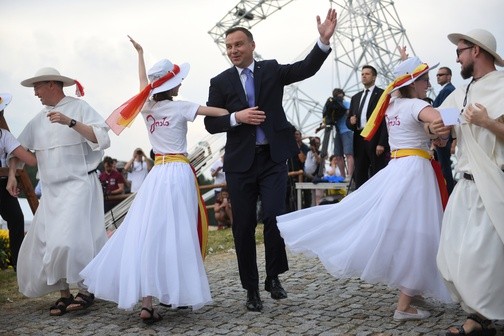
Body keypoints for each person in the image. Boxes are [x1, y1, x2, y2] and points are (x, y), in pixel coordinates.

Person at [277, 56, 453, 321]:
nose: (428, 84)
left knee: (402, 228)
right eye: (425, 79)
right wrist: (456, 118)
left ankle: (411, 290)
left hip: (398, 167)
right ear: (413, 82)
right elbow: (438, 119)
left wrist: (432, 132)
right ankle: (404, 306)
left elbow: (422, 128)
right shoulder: (417, 104)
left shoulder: (392, 105)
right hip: (415, 171)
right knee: (420, 232)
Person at [80, 36, 228, 324]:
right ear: (171, 85)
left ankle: (148, 301)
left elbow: (141, 86)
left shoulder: (146, 106)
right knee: (177, 232)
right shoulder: (180, 107)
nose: (181, 84)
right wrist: (236, 112)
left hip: (157, 173)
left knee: (149, 232)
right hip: (179, 172)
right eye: (178, 81)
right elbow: (218, 112)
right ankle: (173, 292)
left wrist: (140, 55)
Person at [204, 9, 337, 312]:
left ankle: (273, 277)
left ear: (251, 45)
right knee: (243, 227)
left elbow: (306, 68)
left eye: (238, 44)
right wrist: (237, 117)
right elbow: (212, 124)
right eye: (229, 47)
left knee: (276, 218)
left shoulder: (271, 70)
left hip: (273, 159)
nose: (233, 50)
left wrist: (322, 42)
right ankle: (251, 289)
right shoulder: (220, 82)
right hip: (240, 165)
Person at [9, 67, 110, 316]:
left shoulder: (79, 107)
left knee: (74, 240)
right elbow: (18, 151)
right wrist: (12, 174)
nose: (35, 93)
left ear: (53, 85)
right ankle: (64, 294)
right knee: (52, 244)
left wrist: (70, 122)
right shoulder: (38, 120)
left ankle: (86, 290)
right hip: (52, 192)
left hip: (78, 185)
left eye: (38, 87)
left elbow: (101, 138)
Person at [435, 29, 504, 336]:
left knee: (482, 258)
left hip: (492, 183)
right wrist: (434, 128)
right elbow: (441, 128)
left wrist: (487, 122)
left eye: (461, 50)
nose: (457, 56)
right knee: (448, 256)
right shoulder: (459, 93)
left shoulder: (502, 87)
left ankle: (478, 320)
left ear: (476, 51)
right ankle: (479, 314)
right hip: (464, 183)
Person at [0, 93, 37, 271]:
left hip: (3, 183)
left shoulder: (4, 135)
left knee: (16, 218)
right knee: (16, 219)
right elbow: (30, 160)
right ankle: (17, 264)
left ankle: (17, 264)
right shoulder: (4, 135)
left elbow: (28, 160)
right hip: (3, 183)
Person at [347, 65, 389, 189]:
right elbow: (348, 121)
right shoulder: (355, 98)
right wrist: (351, 122)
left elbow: (385, 120)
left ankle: (378, 200)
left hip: (375, 138)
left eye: (367, 74)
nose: (364, 76)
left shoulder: (382, 94)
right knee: (360, 172)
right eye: (362, 74)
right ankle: (361, 202)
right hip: (359, 138)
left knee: (378, 171)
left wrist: (382, 142)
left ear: (374, 77)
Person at [432, 66, 456, 195]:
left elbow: (449, 114)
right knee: (444, 165)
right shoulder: (446, 90)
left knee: (444, 166)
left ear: (449, 76)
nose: (438, 77)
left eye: (441, 75)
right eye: (437, 75)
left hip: (443, 136)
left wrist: (446, 138)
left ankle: (447, 193)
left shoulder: (448, 90)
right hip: (443, 136)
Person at [304, 136, 325, 206]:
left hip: (316, 177)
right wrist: (308, 137)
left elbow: (319, 161)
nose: (315, 144)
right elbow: (297, 140)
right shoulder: (307, 151)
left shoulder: (321, 152)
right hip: (307, 176)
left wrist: (314, 151)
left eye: (317, 143)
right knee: (307, 197)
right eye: (314, 143)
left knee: (317, 198)